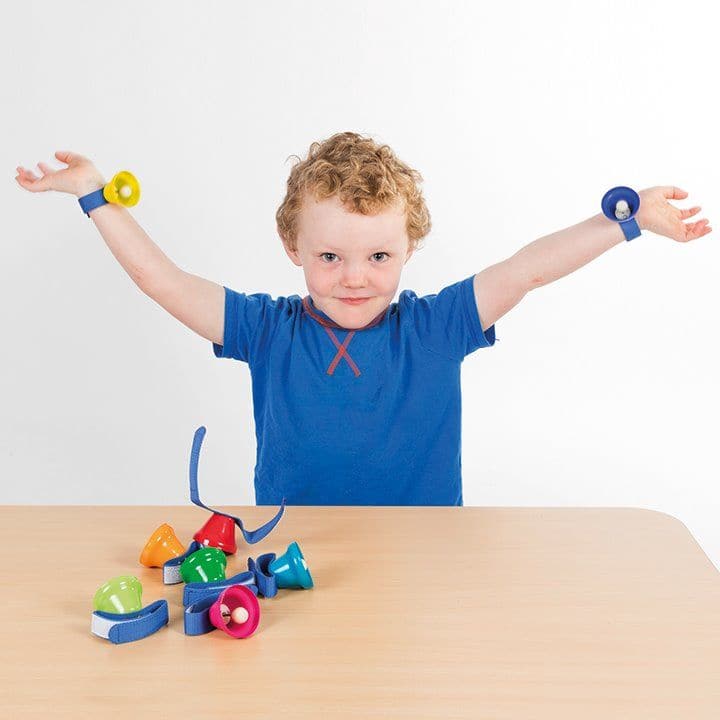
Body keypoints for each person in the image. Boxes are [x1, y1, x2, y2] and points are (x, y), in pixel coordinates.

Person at [14, 132, 711, 506]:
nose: (355, 277)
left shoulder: (436, 327)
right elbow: (158, 280)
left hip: (425, 557)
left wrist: (624, 224)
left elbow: (527, 267)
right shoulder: (266, 330)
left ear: (410, 249)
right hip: (300, 555)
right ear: (293, 248)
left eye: (379, 255)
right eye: (330, 255)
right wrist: (96, 197)